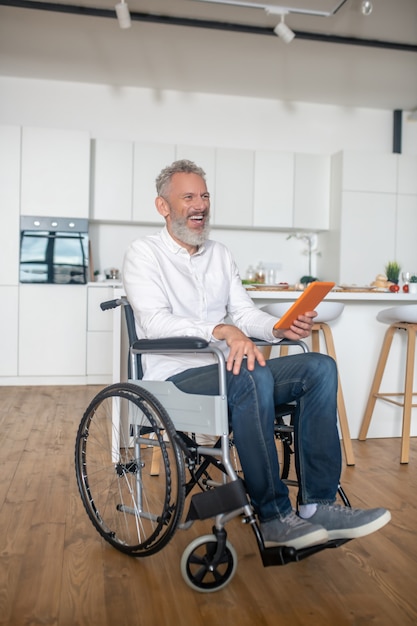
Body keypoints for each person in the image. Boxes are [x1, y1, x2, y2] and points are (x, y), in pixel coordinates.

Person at [123, 159, 391, 550]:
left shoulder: (219, 254)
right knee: (252, 372)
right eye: (188, 197)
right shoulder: (144, 254)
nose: (200, 205)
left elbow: (245, 312)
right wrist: (222, 330)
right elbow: (154, 323)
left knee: (320, 367)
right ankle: (274, 517)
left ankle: (319, 506)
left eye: (205, 196)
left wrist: (277, 328)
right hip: (176, 379)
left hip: (229, 370)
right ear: (163, 206)